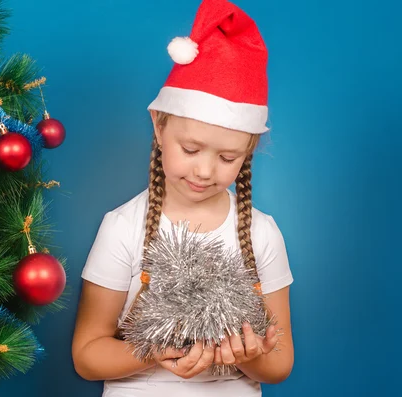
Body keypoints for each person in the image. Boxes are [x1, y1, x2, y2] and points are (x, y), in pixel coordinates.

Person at [72, 0, 294, 395]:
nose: (205, 171)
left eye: (228, 157)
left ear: (250, 149)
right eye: (191, 149)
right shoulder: (124, 226)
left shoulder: (262, 234)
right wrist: (155, 350)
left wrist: (249, 355)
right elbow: (88, 356)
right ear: (159, 125)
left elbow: (279, 364)